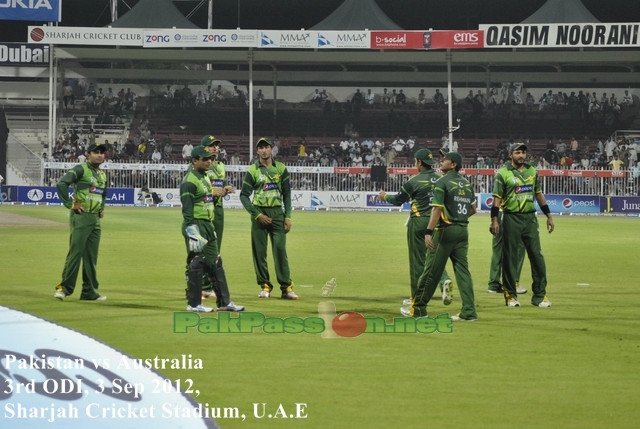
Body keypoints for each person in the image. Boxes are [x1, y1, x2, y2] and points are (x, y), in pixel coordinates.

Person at [402, 151, 477, 321]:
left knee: (431, 270)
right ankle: (469, 311)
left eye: (445, 160)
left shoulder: (442, 182)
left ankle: (418, 309)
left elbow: (436, 209)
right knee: (463, 271)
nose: (441, 161)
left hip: (445, 231)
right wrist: (459, 219)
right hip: (463, 231)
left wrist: (429, 231)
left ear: (453, 165)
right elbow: (473, 209)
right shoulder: (466, 184)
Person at [378, 148, 453, 307]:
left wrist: (384, 196)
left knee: (418, 262)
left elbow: (399, 199)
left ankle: (416, 297)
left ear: (419, 162)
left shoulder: (414, 181)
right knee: (434, 258)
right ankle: (444, 280)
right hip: (439, 222)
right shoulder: (442, 179)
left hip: (419, 223)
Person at [180, 146, 244, 312]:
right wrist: (192, 232)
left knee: (215, 261)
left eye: (209, 158)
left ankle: (224, 302)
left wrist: (221, 192)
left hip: (208, 224)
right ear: (195, 161)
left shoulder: (205, 177)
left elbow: (208, 198)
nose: (209, 161)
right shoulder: (189, 181)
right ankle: (193, 304)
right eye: (204, 159)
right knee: (197, 261)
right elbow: (187, 212)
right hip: (196, 224)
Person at [490, 142, 554, 308]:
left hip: (530, 219)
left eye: (523, 153)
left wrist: (548, 216)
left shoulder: (532, 171)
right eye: (517, 152)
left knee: (537, 257)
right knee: (510, 259)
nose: (521, 156)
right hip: (511, 218)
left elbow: (538, 194)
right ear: (510, 154)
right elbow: (496, 199)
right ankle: (511, 296)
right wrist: (494, 220)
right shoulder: (502, 174)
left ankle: (540, 296)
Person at [239, 137, 296, 300]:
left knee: (280, 250)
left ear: (272, 149)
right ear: (257, 151)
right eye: (261, 148)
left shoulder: (281, 169)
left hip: (277, 214)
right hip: (259, 214)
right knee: (259, 252)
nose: (264, 150)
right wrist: (257, 214)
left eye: (266, 147)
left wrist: (288, 216)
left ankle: (286, 288)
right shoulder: (253, 170)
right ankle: (265, 286)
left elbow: (287, 194)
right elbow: (243, 196)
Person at [54, 143, 109, 301]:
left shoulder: (102, 175)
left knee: (91, 257)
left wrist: (102, 207)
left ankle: (89, 292)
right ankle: (63, 288)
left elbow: (103, 193)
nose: (100, 155)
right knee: (75, 253)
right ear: (88, 154)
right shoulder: (81, 169)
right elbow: (61, 184)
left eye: (102, 153)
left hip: (95, 219)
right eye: (96, 152)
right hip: (81, 216)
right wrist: (70, 204)